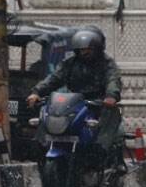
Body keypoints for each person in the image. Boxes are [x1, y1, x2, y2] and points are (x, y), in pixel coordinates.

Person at [25, 28, 124, 165]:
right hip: (76, 102)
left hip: (99, 103)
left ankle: (103, 152)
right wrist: (36, 92)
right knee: (49, 111)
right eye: (82, 49)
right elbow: (54, 78)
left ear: (98, 49)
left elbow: (113, 80)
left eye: (89, 49)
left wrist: (111, 96)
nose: (85, 52)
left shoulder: (107, 64)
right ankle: (42, 143)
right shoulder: (70, 63)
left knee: (110, 117)